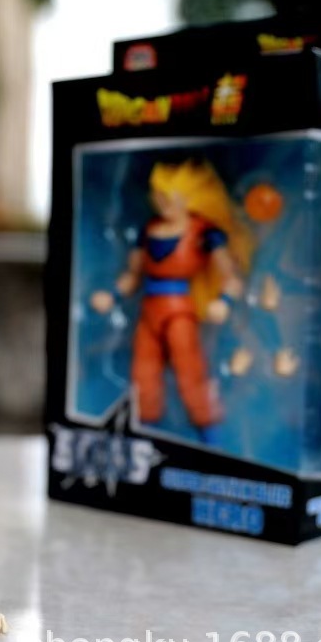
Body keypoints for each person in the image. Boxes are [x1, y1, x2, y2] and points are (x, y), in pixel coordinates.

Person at [90, 159, 251, 441]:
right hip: (150, 311)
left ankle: (210, 435)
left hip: (180, 312)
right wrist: (112, 295)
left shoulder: (203, 232)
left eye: (168, 196)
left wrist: (224, 300)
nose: (161, 202)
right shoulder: (149, 230)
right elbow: (133, 275)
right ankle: (145, 436)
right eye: (158, 195)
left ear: (185, 197)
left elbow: (231, 275)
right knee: (144, 376)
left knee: (190, 373)